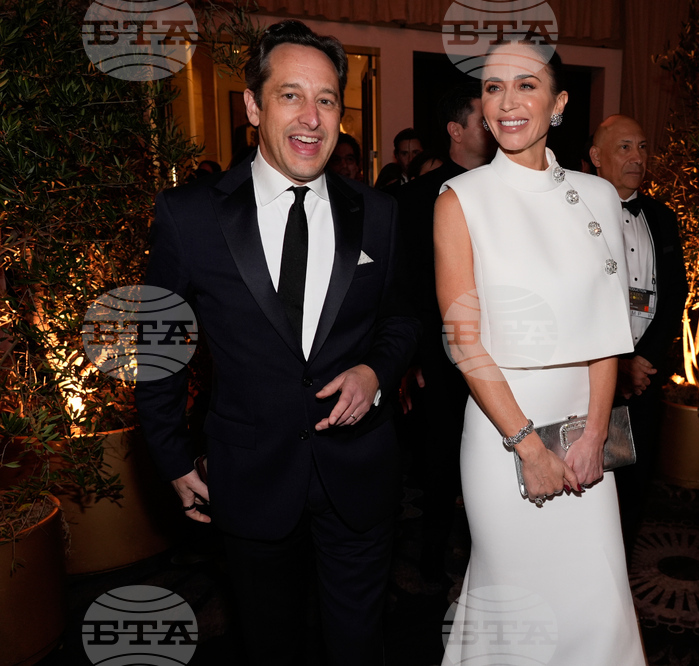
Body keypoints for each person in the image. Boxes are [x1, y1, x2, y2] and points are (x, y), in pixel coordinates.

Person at [134, 20, 418, 666]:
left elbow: (402, 319)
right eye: (291, 95)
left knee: (359, 647)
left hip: (360, 478)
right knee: (270, 648)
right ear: (253, 106)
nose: (311, 117)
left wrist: (376, 371)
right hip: (251, 480)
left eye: (326, 99)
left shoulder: (379, 213)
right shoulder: (190, 215)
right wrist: (174, 459)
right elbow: (158, 344)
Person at [435, 39, 645, 664]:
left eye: (526, 85)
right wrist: (527, 445)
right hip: (504, 435)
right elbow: (464, 342)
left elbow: (609, 332)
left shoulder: (599, 197)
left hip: (586, 433)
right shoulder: (460, 201)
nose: (506, 102)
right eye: (493, 87)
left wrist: (594, 435)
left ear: (558, 103)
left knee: (597, 601)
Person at [394, 81, 495, 583]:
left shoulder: (512, 186)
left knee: (499, 476)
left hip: (508, 361)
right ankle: (432, 578)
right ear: (456, 130)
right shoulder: (416, 201)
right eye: (482, 117)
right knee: (439, 473)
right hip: (441, 363)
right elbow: (407, 287)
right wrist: (411, 362)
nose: (495, 122)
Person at [590, 114, 688, 561]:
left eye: (643, 147)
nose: (637, 157)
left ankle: (621, 575)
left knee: (636, 482)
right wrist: (618, 363)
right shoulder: (577, 216)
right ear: (596, 157)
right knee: (591, 486)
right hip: (592, 380)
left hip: (645, 378)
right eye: (625, 147)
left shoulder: (662, 217)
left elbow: (675, 293)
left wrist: (644, 360)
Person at [374, 127, 423, 192]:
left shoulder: (432, 180)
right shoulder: (391, 186)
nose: (410, 159)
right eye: (404, 154)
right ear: (396, 156)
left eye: (416, 153)